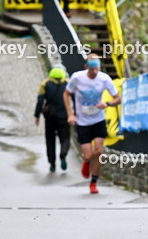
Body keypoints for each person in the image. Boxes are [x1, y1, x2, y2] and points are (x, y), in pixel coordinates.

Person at [65, 54, 121, 194]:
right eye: (92, 70)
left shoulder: (104, 79)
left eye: (97, 69)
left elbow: (118, 99)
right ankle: (86, 161)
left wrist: (107, 104)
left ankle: (94, 182)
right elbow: (66, 94)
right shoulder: (77, 78)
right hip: (82, 122)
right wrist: (70, 114)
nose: (95, 72)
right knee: (88, 154)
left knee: (99, 151)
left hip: (98, 120)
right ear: (86, 68)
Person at [35, 67, 71, 173]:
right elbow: (74, 98)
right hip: (64, 115)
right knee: (65, 138)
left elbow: (40, 101)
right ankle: (63, 154)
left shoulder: (45, 84)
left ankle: (52, 163)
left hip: (50, 117)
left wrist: (37, 115)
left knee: (50, 139)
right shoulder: (68, 84)